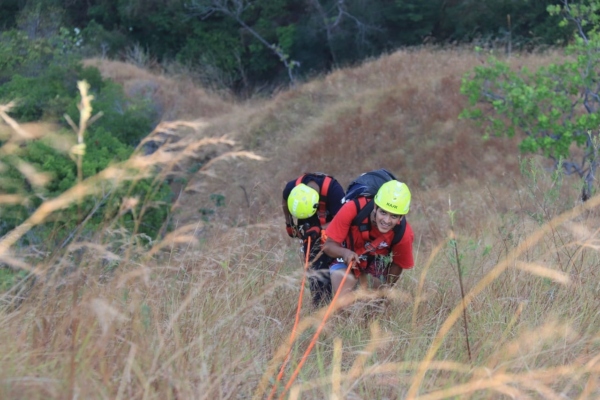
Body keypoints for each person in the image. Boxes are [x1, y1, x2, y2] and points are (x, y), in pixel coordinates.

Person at [323, 180, 414, 299]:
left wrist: (384, 292)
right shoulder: (352, 208)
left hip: (375, 262)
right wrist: (345, 253)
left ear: (401, 217)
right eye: (383, 212)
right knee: (343, 302)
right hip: (345, 256)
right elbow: (328, 245)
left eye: (394, 216)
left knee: (374, 304)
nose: (386, 221)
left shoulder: (404, 233)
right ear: (375, 206)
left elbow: (398, 264)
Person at [282, 173, 346, 307]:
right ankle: (321, 307)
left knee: (340, 268)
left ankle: (347, 304)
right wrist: (289, 224)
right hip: (310, 225)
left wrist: (321, 228)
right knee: (315, 269)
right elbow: (285, 201)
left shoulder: (334, 191)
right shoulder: (291, 188)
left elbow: (343, 221)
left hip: (333, 225)